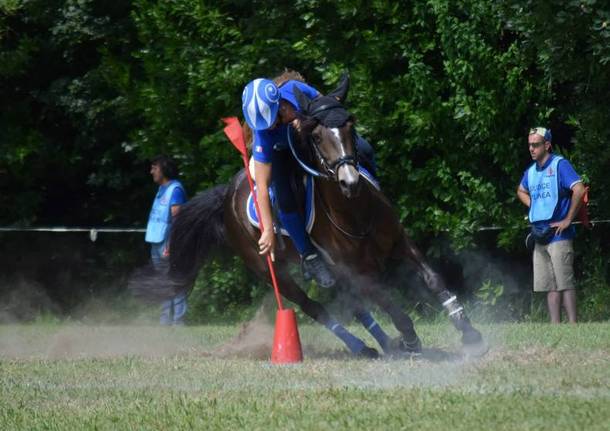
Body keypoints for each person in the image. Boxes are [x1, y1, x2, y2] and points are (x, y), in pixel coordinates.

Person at [242, 71, 376, 288]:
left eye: (275, 119)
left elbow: (328, 111)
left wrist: (305, 121)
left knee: (365, 150)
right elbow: (263, 187)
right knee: (284, 198)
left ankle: (375, 196)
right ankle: (309, 256)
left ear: (281, 103)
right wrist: (267, 230)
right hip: (282, 155)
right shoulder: (263, 135)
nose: (271, 127)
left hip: (319, 142)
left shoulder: (297, 89)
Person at [517, 127, 585, 323]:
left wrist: (568, 219)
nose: (531, 149)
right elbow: (521, 191)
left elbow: (579, 190)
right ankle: (555, 326)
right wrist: (534, 205)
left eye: (536, 145)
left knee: (565, 282)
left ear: (547, 145)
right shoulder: (530, 172)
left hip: (560, 234)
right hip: (540, 235)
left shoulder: (560, 165)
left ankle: (573, 325)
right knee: (549, 285)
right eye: (529, 145)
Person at [145, 155, 188, 325]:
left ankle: (178, 322)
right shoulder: (161, 189)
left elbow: (178, 221)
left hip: (167, 243)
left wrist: (171, 244)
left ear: (163, 168)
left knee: (175, 281)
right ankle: (165, 322)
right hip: (156, 241)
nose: (152, 171)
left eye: (154, 167)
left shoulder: (175, 189)